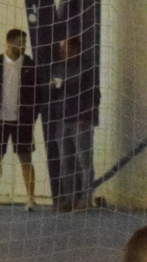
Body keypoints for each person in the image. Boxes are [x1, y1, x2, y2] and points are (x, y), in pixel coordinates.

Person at [0, 28, 37, 210]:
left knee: (25, 158)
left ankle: (30, 199)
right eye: (20, 42)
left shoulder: (30, 65)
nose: (23, 46)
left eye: (24, 43)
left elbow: (38, 94)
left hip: (22, 120)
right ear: (9, 42)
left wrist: (31, 116)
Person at [48, 37, 99, 212]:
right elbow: (53, 93)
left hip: (80, 121)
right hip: (62, 121)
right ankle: (70, 198)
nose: (62, 51)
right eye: (61, 49)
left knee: (85, 162)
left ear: (75, 50)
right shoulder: (58, 68)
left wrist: (88, 118)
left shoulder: (86, 69)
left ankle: (86, 198)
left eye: (66, 48)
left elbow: (94, 95)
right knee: (65, 162)